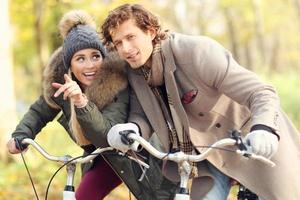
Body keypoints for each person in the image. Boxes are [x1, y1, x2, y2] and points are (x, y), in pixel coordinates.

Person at [101, 3, 300, 200]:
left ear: (151, 32)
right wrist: (132, 128)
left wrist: (264, 129)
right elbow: (141, 113)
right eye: (118, 43)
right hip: (209, 155)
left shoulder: (197, 52)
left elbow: (261, 92)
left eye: (130, 37)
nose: (125, 48)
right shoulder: (136, 72)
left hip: (252, 142)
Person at [6, 10, 126, 200]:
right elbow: (39, 111)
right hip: (99, 158)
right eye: (80, 58)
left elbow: (105, 135)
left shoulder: (116, 82)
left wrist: (81, 101)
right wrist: (21, 135)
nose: (90, 65)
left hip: (130, 155)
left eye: (95, 56)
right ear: (69, 65)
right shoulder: (63, 85)